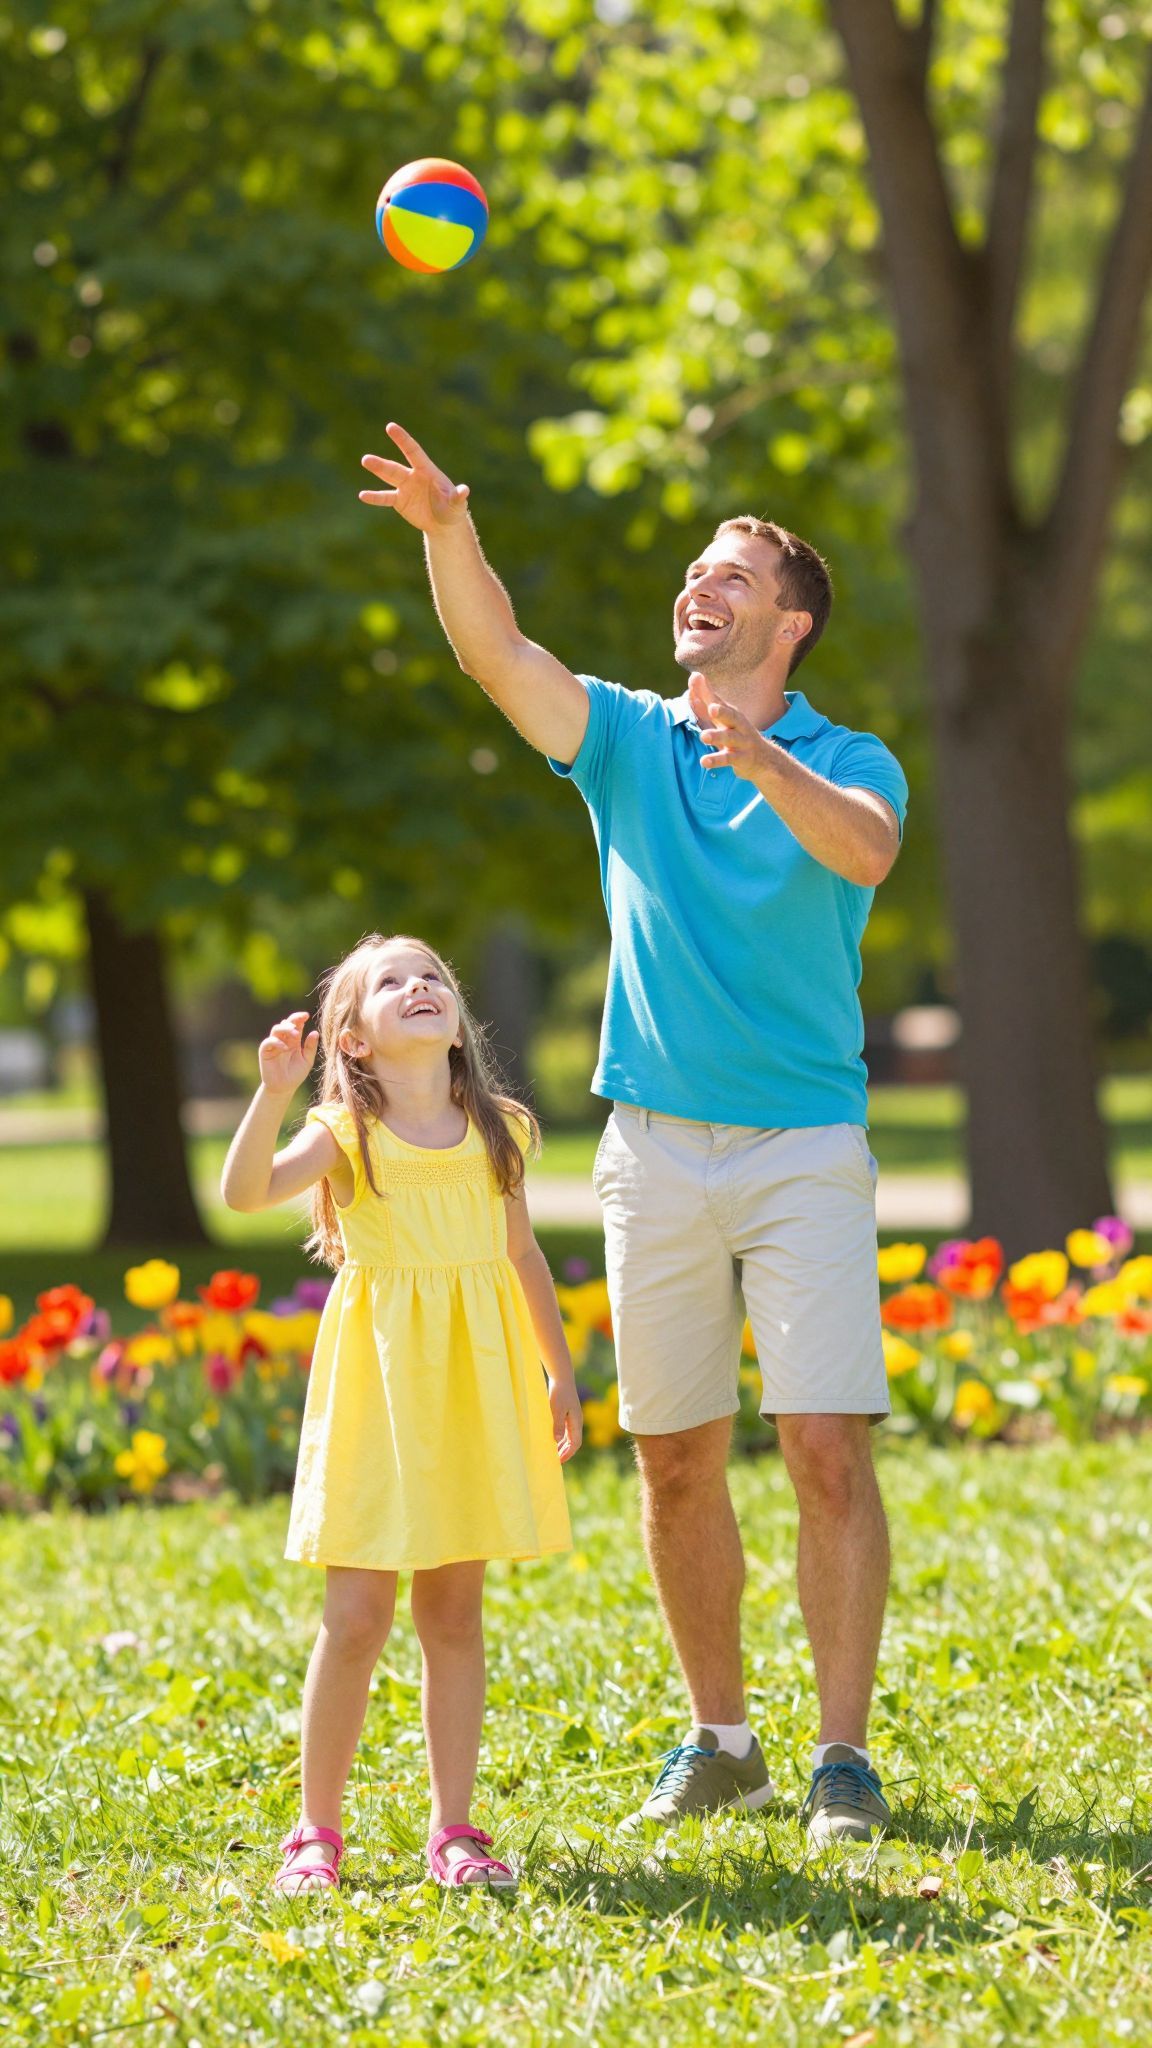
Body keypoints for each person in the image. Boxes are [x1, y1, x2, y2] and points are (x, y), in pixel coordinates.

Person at [359, 426, 908, 1845]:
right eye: (690, 573)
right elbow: (501, 659)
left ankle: (841, 1756)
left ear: (789, 622)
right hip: (651, 1145)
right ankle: (722, 1737)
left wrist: (762, 761)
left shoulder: (851, 760)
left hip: (801, 1147)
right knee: (672, 1458)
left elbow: (866, 850)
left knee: (827, 1452)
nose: (696, 588)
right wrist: (445, 529)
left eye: (729, 575)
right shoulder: (627, 738)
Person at [220, 931, 581, 1894]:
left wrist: (559, 1370)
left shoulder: (499, 1129)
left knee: (454, 1611)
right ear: (355, 1043)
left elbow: (522, 1256)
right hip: (379, 1392)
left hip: (470, 1390)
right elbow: (245, 1191)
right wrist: (273, 1090)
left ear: (456, 1022)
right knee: (356, 1615)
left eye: (433, 977)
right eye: (392, 983)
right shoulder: (346, 1136)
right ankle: (315, 1833)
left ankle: (454, 1830)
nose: (420, 987)